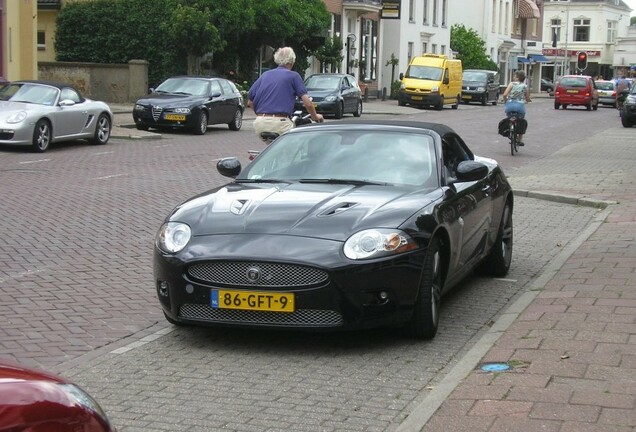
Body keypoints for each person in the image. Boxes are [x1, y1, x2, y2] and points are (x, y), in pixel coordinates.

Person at [247, 47, 323, 142]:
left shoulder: (265, 75)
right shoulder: (294, 76)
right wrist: (315, 116)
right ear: (292, 61)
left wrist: (262, 115)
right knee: (298, 145)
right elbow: (307, 103)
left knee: (273, 149)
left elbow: (250, 102)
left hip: (260, 123)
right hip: (280, 123)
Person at [502, 70, 531, 146]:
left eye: (514, 76)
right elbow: (527, 98)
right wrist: (527, 101)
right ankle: (520, 139)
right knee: (521, 120)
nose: (513, 77)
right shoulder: (525, 86)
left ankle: (510, 129)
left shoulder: (511, 84)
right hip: (520, 106)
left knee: (510, 117)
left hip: (510, 105)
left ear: (518, 78)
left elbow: (505, 95)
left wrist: (505, 101)